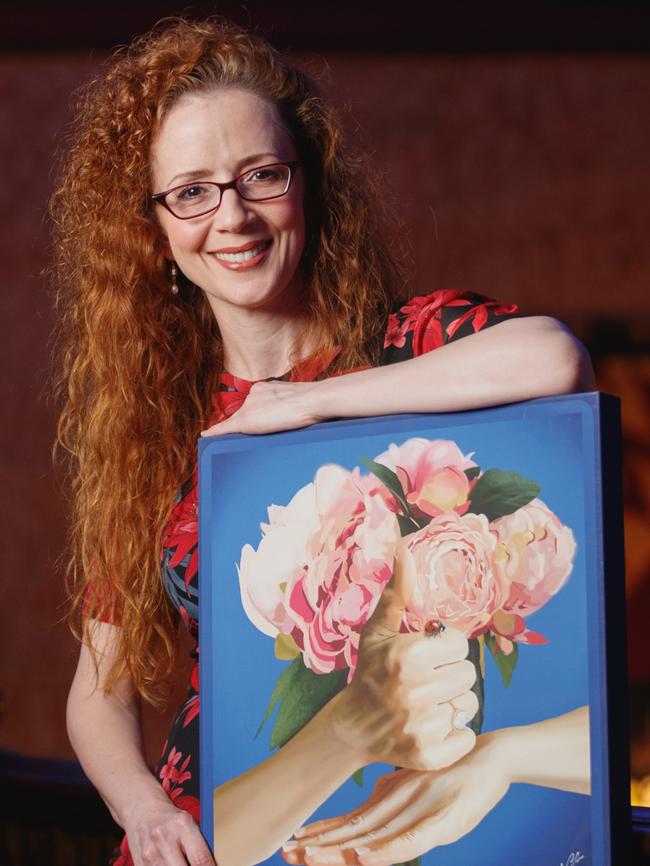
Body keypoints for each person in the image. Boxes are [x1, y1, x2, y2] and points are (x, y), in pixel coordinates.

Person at [52, 15, 595, 866]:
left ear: (306, 185)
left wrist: (308, 406)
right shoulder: (155, 432)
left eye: (260, 176)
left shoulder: (408, 342)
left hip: (421, 822)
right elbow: (97, 691)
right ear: (155, 229)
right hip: (214, 835)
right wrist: (144, 812)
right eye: (191, 191)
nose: (231, 216)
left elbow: (555, 356)